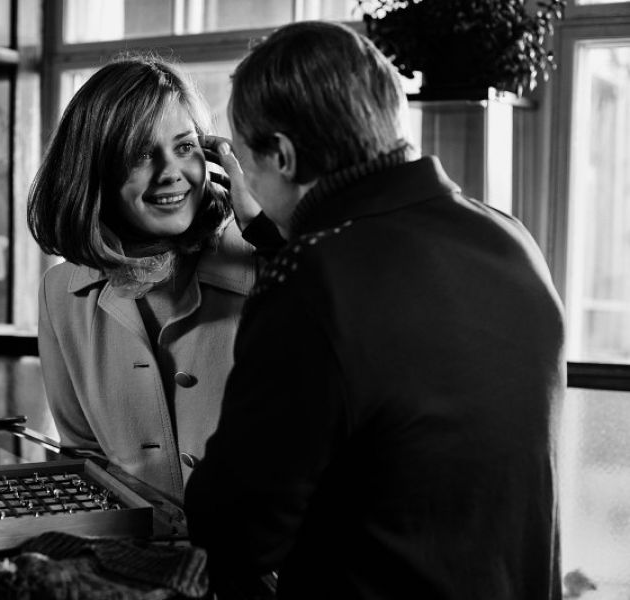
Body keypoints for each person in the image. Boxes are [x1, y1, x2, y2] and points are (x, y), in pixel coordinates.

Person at [184, 21, 565, 599]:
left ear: (283, 155)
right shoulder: (510, 238)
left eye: (244, 159)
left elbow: (236, 533)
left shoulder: (311, 279)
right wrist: (274, 232)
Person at [28, 55, 280, 504]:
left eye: (185, 147)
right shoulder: (60, 293)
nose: (171, 173)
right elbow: (83, 458)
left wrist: (269, 232)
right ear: (94, 171)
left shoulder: (269, 261)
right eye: (140, 154)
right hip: (136, 546)